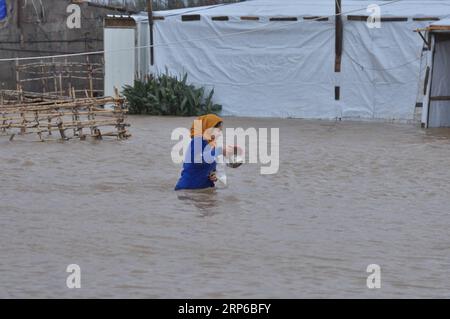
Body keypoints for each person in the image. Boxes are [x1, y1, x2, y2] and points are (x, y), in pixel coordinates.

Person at [175, 114, 234, 191]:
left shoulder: (211, 145)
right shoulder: (197, 141)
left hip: (204, 191)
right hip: (188, 191)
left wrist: (213, 176)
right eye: (218, 130)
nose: (220, 134)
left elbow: (209, 168)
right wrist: (220, 151)